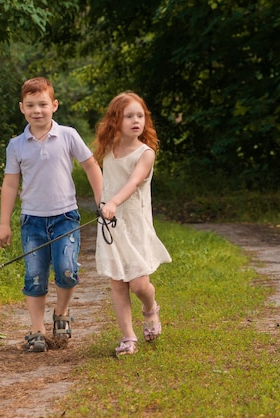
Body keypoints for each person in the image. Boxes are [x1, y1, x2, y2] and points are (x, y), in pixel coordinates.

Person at [0, 77, 103, 353]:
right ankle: (36, 329)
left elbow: (90, 166)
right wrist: (4, 224)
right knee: (35, 276)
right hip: (32, 220)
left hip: (65, 216)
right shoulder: (16, 145)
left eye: (42, 104)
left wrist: (102, 202)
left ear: (54, 105)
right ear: (21, 108)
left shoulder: (68, 135)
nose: (37, 110)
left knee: (67, 270)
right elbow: (10, 184)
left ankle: (61, 313)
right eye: (30, 105)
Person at [93, 91, 172, 356]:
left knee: (138, 284)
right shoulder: (108, 148)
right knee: (118, 283)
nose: (136, 120)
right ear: (116, 120)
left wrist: (113, 202)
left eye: (140, 116)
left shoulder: (145, 153)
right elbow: (99, 175)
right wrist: (103, 203)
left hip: (134, 224)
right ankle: (129, 337)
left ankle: (150, 308)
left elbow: (133, 182)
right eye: (129, 116)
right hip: (111, 226)